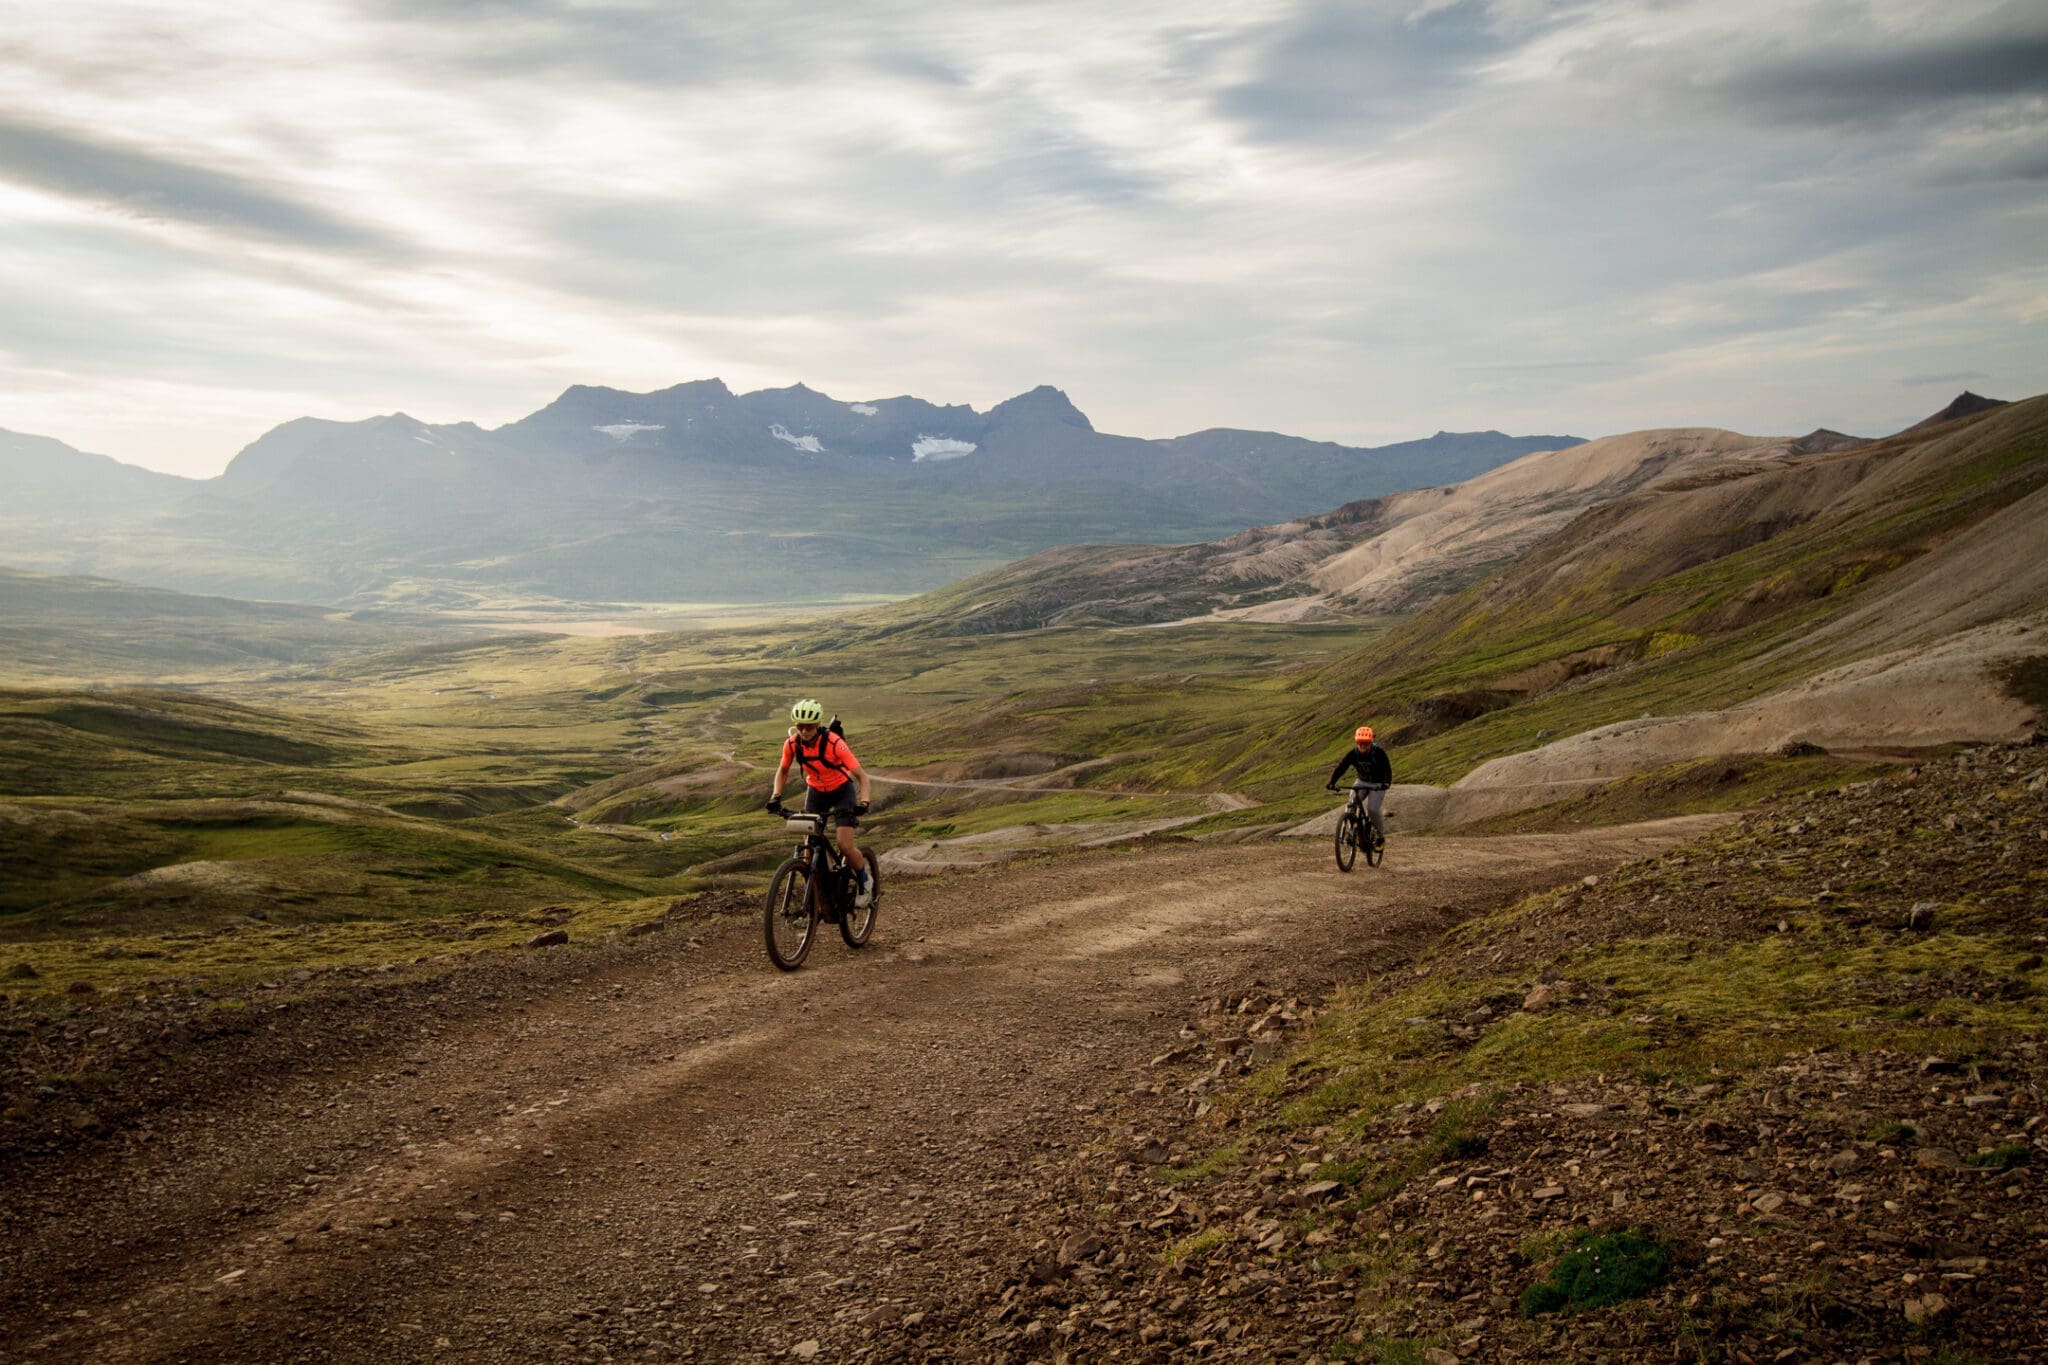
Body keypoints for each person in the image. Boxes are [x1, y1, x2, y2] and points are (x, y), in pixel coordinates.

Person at [769, 698, 875, 907]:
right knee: (809, 852)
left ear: (817, 725)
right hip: (816, 792)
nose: (805, 731)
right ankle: (819, 901)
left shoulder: (834, 743)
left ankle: (864, 879)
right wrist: (775, 796)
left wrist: (864, 802)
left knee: (844, 844)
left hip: (842, 790)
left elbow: (862, 776)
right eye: (800, 726)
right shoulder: (792, 744)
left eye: (809, 727)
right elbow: (782, 771)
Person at [1326, 725, 1392, 847]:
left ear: (1370, 742)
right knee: (1351, 804)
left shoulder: (1378, 753)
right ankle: (1352, 831)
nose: (1362, 745)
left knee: (1372, 809)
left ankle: (1379, 835)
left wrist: (1387, 783)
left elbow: (1387, 767)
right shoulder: (1353, 754)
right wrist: (1332, 782)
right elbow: (1341, 767)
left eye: (1366, 743)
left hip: (1377, 784)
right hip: (1361, 781)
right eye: (1360, 742)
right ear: (1357, 742)